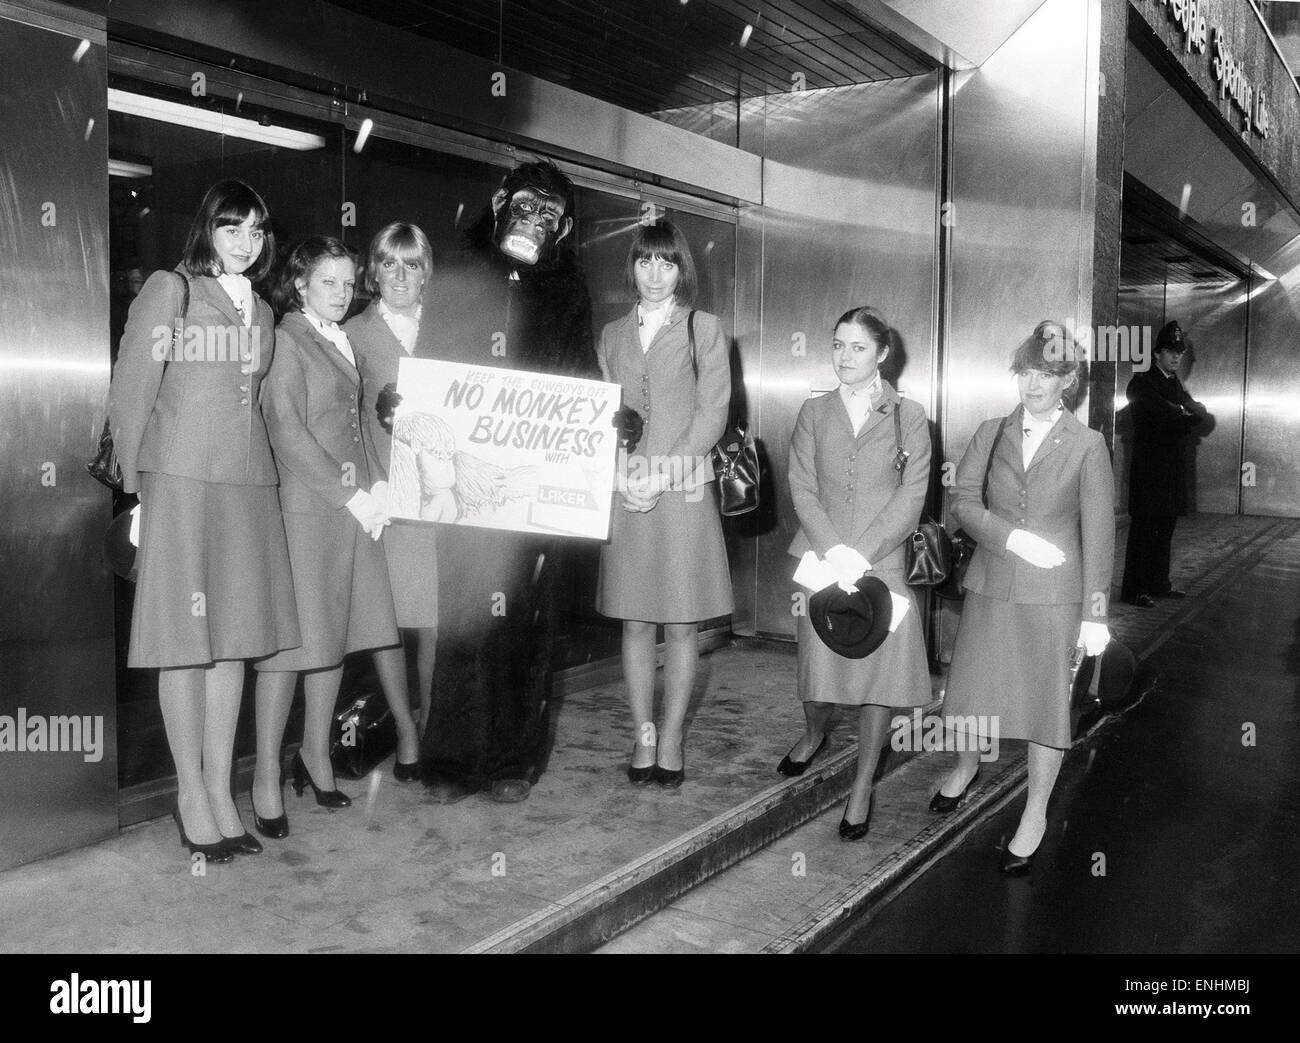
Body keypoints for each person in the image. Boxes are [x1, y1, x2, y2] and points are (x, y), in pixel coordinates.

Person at [390, 159, 596, 804]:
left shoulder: (566, 290)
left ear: (562, 231)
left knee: (525, 630)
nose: (534, 224)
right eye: (528, 207)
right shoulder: (457, 275)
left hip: (530, 490)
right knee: (460, 624)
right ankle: (450, 763)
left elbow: (581, 376)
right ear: (502, 200)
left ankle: (511, 762)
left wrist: (611, 420)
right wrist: (401, 406)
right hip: (463, 484)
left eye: (550, 217)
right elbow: (429, 367)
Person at [109, 178, 298, 863]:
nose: (245, 243)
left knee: (234, 642)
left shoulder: (267, 313)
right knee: (184, 641)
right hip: (182, 482)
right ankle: (190, 794)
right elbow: (131, 390)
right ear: (207, 230)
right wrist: (136, 491)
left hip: (248, 489)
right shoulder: (173, 289)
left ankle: (222, 792)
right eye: (231, 228)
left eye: (255, 231)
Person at [932, 321, 1113, 874]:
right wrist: (1009, 537)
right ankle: (966, 767)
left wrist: (1096, 614)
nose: (1034, 383)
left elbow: (1100, 532)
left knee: (1046, 708)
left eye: (1049, 373)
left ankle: (1034, 812)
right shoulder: (991, 431)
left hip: (1056, 597)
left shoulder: (1087, 445)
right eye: (1026, 371)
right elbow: (962, 501)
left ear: (1068, 380)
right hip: (992, 584)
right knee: (970, 693)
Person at [251, 236, 400, 836]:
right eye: (327, 282)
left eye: (347, 282)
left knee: (332, 640)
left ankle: (315, 755)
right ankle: (265, 775)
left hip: (353, 511)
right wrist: (351, 494)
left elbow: (356, 422)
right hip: (310, 514)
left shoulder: (340, 339)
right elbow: (286, 430)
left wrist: (380, 484)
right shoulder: (288, 340)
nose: (340, 293)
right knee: (291, 650)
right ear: (301, 284)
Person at [783, 306, 931, 839]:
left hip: (883, 564)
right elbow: (801, 486)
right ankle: (814, 731)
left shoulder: (907, 415)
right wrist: (832, 550)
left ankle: (863, 783)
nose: (845, 357)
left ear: (882, 354)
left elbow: (912, 495)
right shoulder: (813, 411)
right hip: (821, 562)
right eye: (838, 344)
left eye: (858, 347)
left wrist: (862, 554)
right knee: (817, 672)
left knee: (877, 681)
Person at [596, 220, 733, 787]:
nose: (654, 274)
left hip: (682, 491)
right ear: (632, 268)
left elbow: (712, 414)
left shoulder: (705, 328)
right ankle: (643, 732)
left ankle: (672, 734)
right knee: (634, 622)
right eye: (645, 262)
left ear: (682, 270)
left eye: (666, 263)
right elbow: (604, 415)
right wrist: (622, 475)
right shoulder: (610, 335)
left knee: (680, 624)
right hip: (626, 488)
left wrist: (661, 476)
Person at [345, 223, 436, 776]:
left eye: (413, 264)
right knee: (387, 621)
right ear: (373, 271)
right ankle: (404, 729)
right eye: (390, 264)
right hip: (382, 497)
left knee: (433, 623)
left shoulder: (451, 328)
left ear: (427, 272)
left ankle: (430, 724)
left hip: (441, 500)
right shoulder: (352, 332)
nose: (400, 276)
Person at [1120, 321, 1205, 608]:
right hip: (1149, 472)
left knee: (1164, 528)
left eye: (1179, 352)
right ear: (1157, 354)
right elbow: (1163, 417)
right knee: (1144, 530)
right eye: (1170, 351)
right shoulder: (1142, 382)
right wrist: (1181, 413)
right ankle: (1135, 590)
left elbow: (1200, 413)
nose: (1176, 357)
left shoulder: (1173, 384)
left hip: (1169, 472)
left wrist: (1180, 412)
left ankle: (1158, 584)